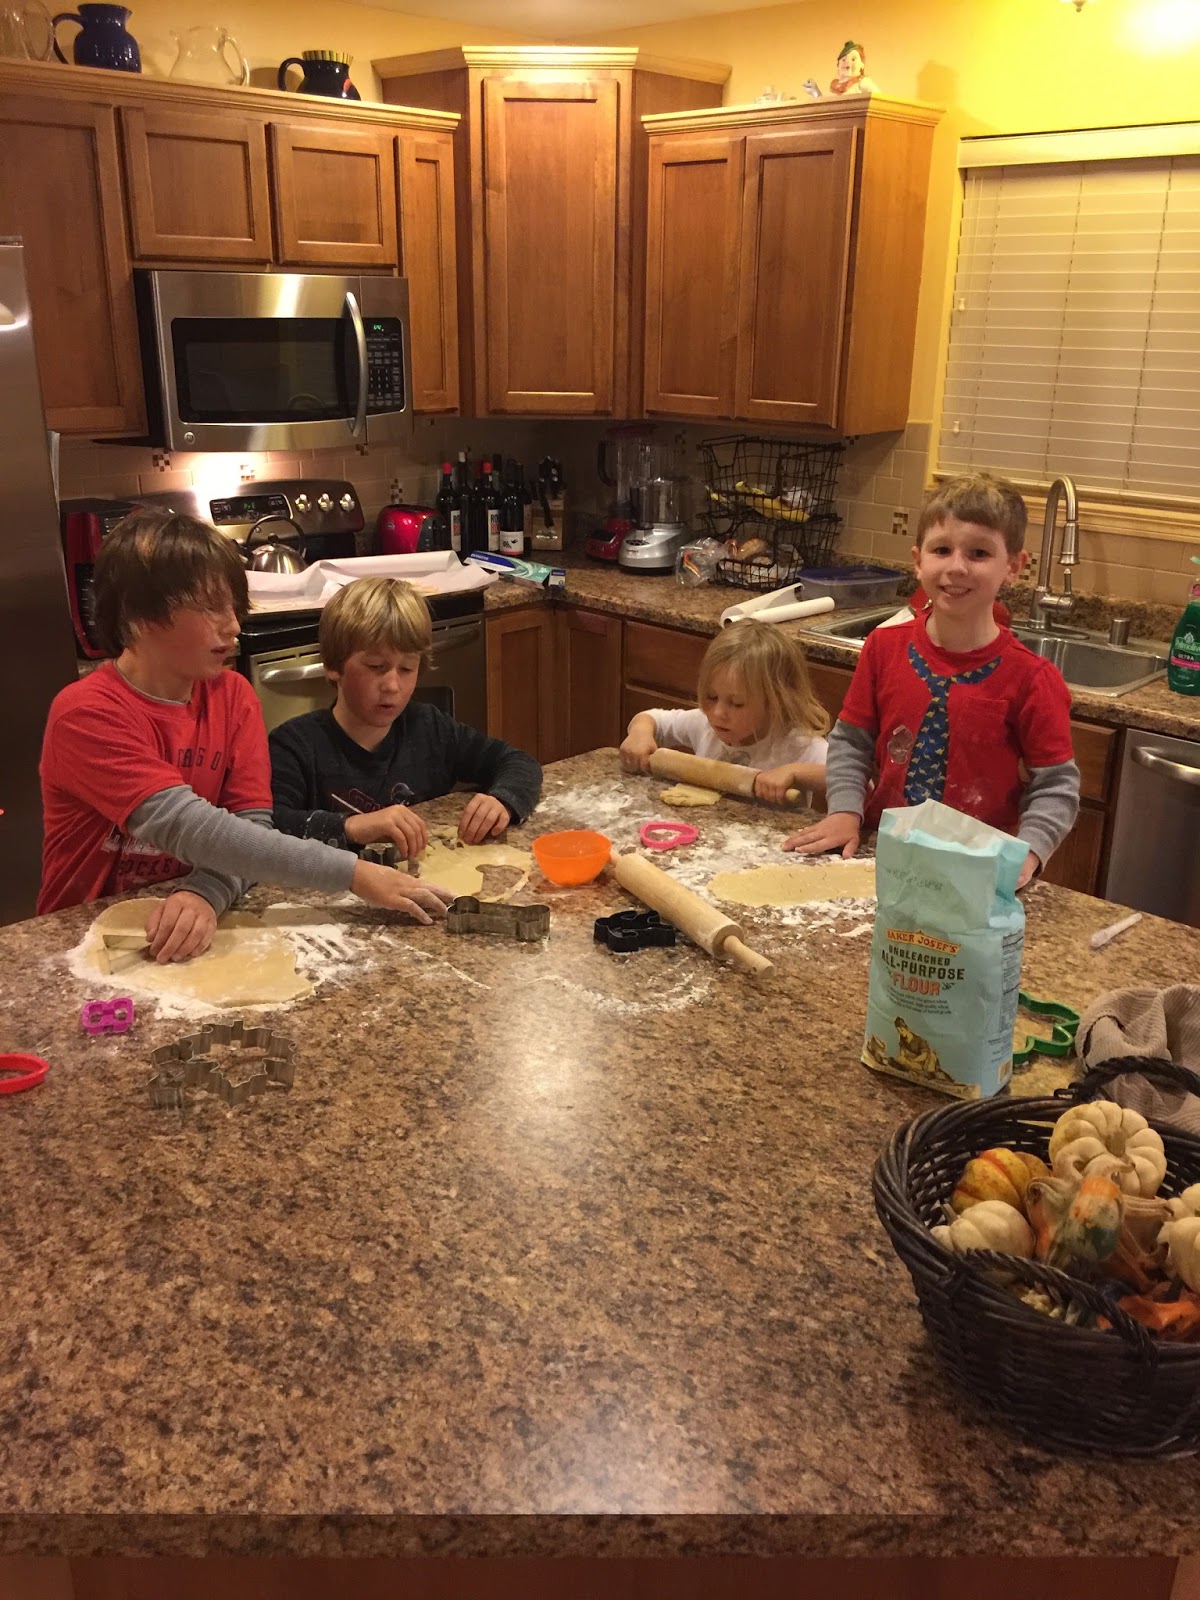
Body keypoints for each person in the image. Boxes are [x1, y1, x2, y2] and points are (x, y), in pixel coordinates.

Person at [38, 510, 454, 962]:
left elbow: (251, 827)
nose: (233, 625)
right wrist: (354, 873)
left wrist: (206, 890)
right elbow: (190, 828)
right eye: (210, 607)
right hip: (84, 940)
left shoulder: (233, 697)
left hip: (193, 929)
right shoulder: (86, 714)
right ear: (139, 616)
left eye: (233, 606)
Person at [785, 474, 1080, 888]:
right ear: (918, 560)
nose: (956, 567)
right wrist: (845, 812)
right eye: (942, 550)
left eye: (979, 553)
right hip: (882, 857)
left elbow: (1056, 786)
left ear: (1013, 567)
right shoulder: (883, 648)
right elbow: (852, 743)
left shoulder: (1032, 679)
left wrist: (1028, 853)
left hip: (977, 872)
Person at [269, 577, 542, 859]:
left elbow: (517, 762)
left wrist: (502, 799)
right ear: (333, 666)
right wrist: (352, 827)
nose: (392, 686)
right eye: (376, 666)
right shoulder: (295, 746)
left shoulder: (429, 728)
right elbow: (269, 826)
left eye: (407, 669)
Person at [619, 620, 829, 803]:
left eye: (737, 703)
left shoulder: (797, 745)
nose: (718, 712)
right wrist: (640, 734)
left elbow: (845, 776)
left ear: (777, 702)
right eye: (711, 697)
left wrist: (795, 773)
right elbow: (653, 718)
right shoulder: (704, 725)